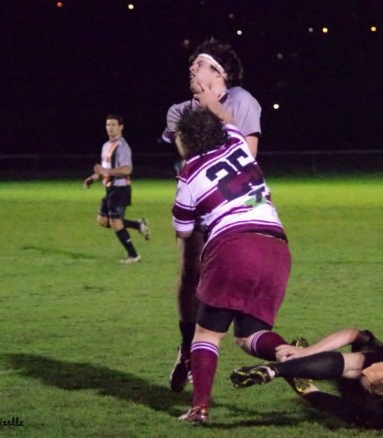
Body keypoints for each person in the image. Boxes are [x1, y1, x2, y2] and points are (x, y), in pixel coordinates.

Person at [171, 108, 290, 425]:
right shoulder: (236, 139)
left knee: (206, 334)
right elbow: (229, 123)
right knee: (250, 336)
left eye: (177, 136)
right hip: (276, 245)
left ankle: (199, 409)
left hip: (235, 246)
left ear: (189, 138)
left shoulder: (188, 174)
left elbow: (184, 233)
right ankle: (292, 356)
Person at [162, 38, 262, 393]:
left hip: (235, 206)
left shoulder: (242, 101)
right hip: (199, 200)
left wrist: (216, 110)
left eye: (199, 64)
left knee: (225, 282)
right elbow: (191, 157)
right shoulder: (178, 111)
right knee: (191, 272)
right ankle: (187, 348)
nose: (191, 69)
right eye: (190, 65)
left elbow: (245, 157)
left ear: (219, 72)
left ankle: (225, 344)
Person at [230, 301, 383, 432]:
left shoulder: (361, 402)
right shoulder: (367, 405)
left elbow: (315, 393)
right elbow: (315, 394)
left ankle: (275, 370)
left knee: (360, 368)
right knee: (367, 371)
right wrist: (298, 364)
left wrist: (301, 360)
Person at [83, 114, 149, 264]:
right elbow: (104, 169)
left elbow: (127, 169)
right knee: (102, 220)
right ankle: (137, 224)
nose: (110, 128)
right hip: (109, 189)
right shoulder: (106, 146)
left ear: (121, 127)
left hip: (121, 189)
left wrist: (106, 172)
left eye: (113, 125)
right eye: (108, 125)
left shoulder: (122, 147)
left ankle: (133, 255)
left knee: (116, 222)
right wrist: (92, 178)